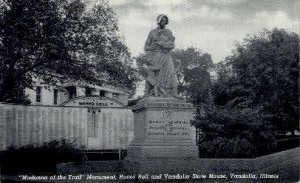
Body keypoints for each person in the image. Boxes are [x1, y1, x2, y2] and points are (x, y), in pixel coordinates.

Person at [144, 14, 178, 97]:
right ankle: (154, 93)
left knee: (171, 74)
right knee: (156, 75)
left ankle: (172, 93)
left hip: (166, 55)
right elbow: (146, 47)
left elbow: (172, 45)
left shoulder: (169, 32)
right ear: (158, 21)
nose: (164, 22)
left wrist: (164, 44)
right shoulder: (152, 32)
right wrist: (153, 46)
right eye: (162, 20)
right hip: (156, 55)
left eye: (165, 21)